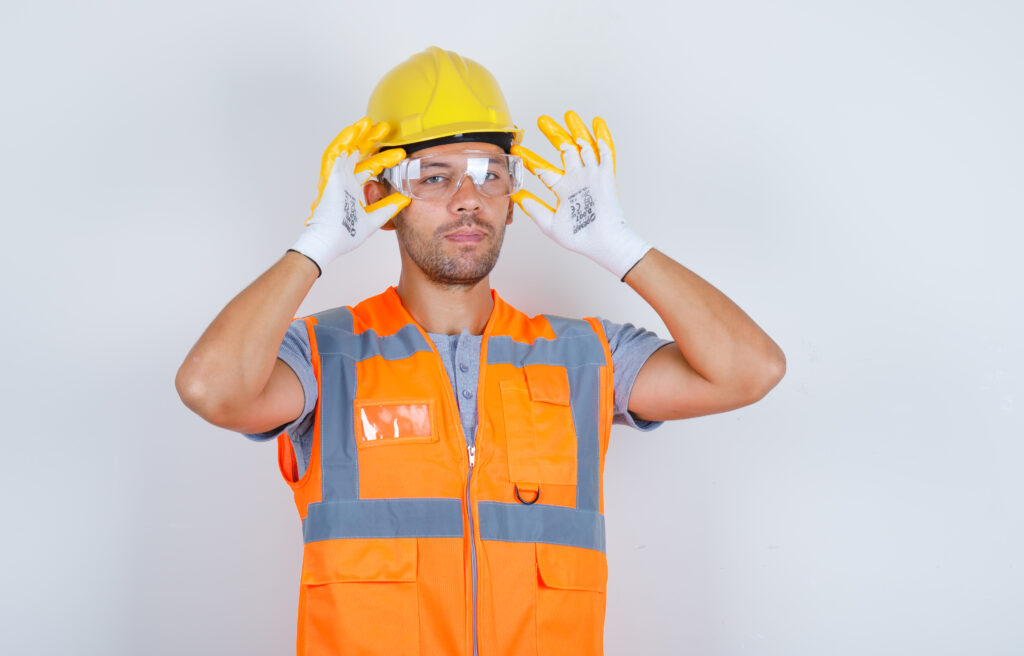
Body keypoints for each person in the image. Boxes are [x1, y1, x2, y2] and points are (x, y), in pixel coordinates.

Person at [176, 46, 785, 656]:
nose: (468, 197)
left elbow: (750, 370)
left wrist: (621, 248)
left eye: (490, 174)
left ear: (511, 198)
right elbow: (211, 389)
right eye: (434, 176)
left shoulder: (586, 357)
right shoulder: (321, 356)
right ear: (380, 199)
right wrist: (316, 246)